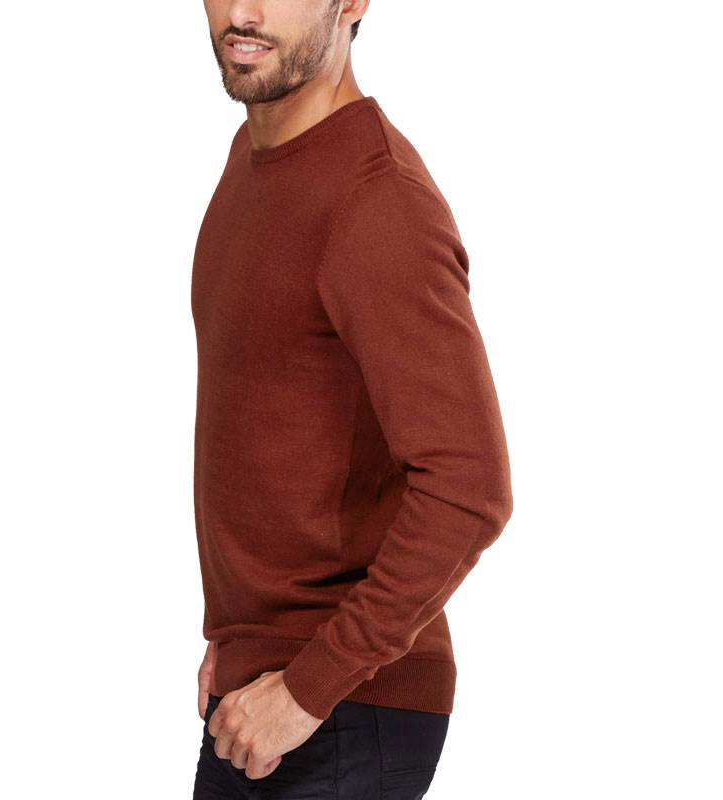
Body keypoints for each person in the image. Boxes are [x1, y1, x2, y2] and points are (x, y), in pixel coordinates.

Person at [191, 1, 514, 797]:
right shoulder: (256, 157)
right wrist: (237, 636)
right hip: (266, 690)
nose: (242, 12)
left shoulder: (378, 200)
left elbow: (469, 489)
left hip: (341, 710)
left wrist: (307, 689)